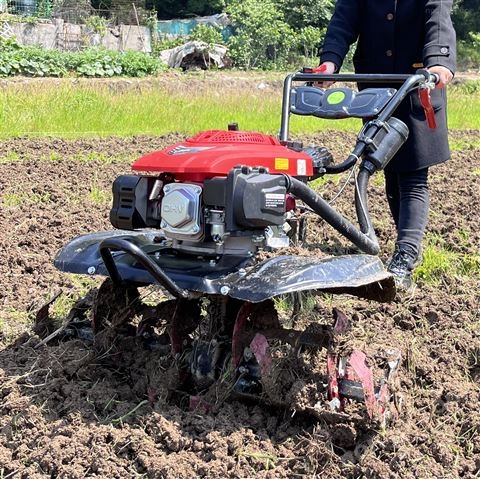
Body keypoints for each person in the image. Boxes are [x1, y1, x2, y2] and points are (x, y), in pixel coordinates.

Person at [317, 0, 457, 289]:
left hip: (419, 83)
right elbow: (345, 18)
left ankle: (406, 254)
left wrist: (440, 61)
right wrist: (330, 60)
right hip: (377, 85)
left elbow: (438, 19)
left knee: (413, 175)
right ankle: (404, 246)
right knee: (391, 169)